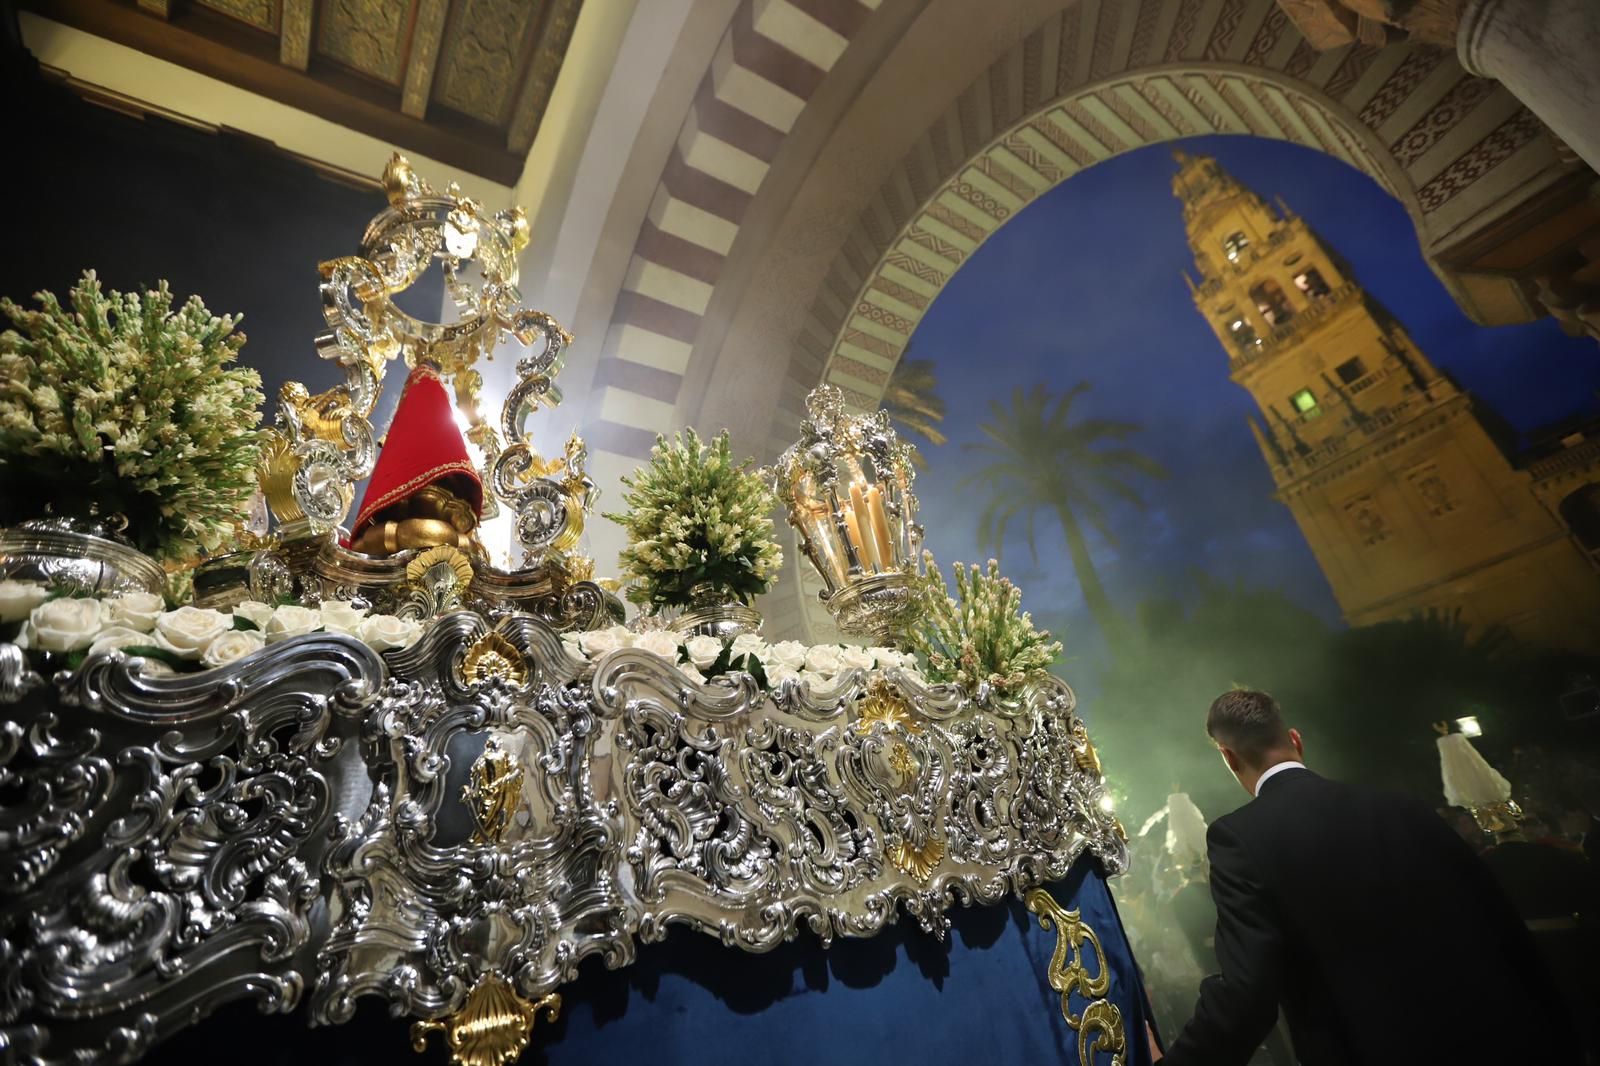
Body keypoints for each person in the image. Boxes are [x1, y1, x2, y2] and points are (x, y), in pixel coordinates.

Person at [1155, 689, 1579, 1065]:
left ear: (1229, 758)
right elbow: (1499, 921)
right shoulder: (1400, 807)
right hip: (1498, 1036)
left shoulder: (1239, 838)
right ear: (1296, 740)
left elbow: (1247, 992)